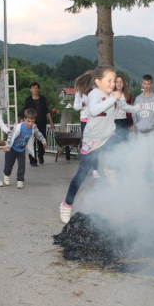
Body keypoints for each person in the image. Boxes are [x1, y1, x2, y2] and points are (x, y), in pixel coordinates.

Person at [59, 65, 143, 224]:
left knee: (122, 146)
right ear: (98, 81)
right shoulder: (94, 94)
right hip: (92, 140)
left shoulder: (112, 95)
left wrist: (135, 109)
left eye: (114, 80)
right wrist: (112, 98)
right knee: (81, 174)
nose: (113, 83)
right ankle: (66, 204)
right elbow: (94, 110)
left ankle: (111, 169)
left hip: (108, 135)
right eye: (109, 80)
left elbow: (123, 106)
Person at [2, 109, 47, 189]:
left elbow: (39, 135)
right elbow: (10, 136)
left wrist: (44, 141)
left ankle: (20, 180)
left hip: (21, 150)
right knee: (9, 165)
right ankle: (6, 175)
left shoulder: (34, 128)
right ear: (24, 119)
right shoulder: (18, 126)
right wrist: (7, 145)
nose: (30, 124)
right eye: (28, 121)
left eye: (32, 121)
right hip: (12, 149)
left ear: (34, 120)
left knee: (22, 166)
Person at [132, 74, 154, 177]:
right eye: (144, 83)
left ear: (152, 84)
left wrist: (152, 123)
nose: (146, 86)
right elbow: (134, 113)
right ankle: (143, 171)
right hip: (141, 130)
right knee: (143, 151)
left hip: (152, 130)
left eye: (148, 83)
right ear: (142, 84)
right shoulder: (138, 99)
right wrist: (137, 124)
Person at [74, 70, 100, 178]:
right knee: (85, 145)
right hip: (84, 120)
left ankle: (95, 169)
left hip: (94, 120)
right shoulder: (79, 91)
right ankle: (85, 167)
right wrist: (83, 103)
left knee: (95, 145)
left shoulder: (96, 91)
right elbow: (75, 106)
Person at [21, 82, 55, 166]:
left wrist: (51, 122)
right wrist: (21, 122)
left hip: (41, 123)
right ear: (30, 89)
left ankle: (40, 155)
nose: (34, 90)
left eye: (36, 88)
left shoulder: (42, 99)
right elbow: (24, 111)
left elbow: (47, 111)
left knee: (41, 141)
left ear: (38, 89)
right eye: (33, 88)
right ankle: (33, 160)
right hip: (30, 125)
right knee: (31, 142)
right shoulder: (28, 100)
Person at [114, 74, 134, 141]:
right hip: (114, 121)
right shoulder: (111, 95)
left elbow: (129, 111)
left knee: (124, 142)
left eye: (121, 82)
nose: (119, 84)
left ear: (124, 84)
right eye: (117, 82)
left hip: (124, 121)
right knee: (114, 143)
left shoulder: (128, 96)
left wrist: (130, 123)